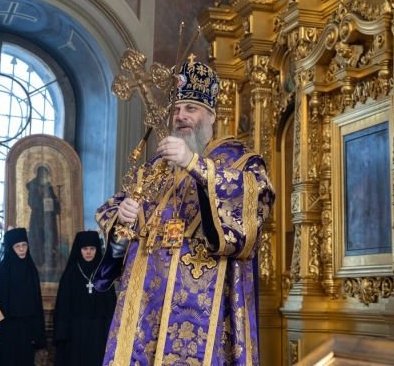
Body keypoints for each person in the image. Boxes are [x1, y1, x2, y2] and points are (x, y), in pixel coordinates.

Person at [94, 55, 275, 365]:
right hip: (144, 310)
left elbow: (252, 203)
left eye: (191, 108)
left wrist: (194, 164)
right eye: (177, 109)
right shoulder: (154, 169)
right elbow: (117, 229)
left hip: (205, 309)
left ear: (211, 115)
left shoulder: (239, 160)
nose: (181, 116)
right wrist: (122, 218)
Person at [53, 231, 116, 366]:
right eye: (85, 248)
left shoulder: (104, 273)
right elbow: (63, 307)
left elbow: (111, 306)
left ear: (97, 249)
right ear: (79, 249)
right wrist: (63, 334)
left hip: (98, 331)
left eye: (92, 248)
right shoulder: (70, 275)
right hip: (76, 332)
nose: (88, 252)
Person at [0, 228, 46, 366]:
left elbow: (37, 302)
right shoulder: (2, 270)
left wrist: (37, 333)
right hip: (6, 329)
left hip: (27, 329)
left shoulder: (31, 269)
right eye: (17, 246)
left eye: (24, 245)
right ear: (11, 248)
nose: (21, 249)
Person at [25, 165, 62, 272]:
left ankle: (50, 260)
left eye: (46, 174)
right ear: (38, 174)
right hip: (37, 218)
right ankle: (39, 261)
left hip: (49, 218)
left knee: (50, 238)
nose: (44, 176)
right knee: (38, 238)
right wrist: (42, 203)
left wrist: (56, 203)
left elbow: (54, 200)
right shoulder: (32, 185)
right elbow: (31, 202)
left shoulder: (48, 186)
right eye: (42, 174)